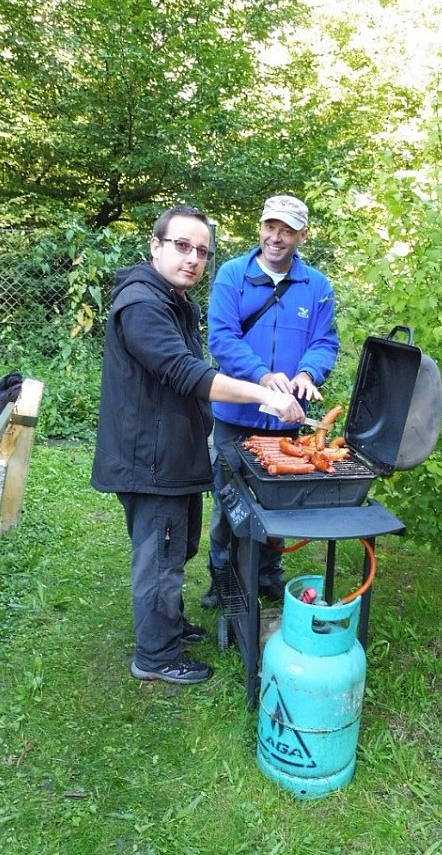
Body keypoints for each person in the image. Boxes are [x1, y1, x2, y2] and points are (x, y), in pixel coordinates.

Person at [91, 204, 304, 685]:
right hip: (151, 458)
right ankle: (156, 655)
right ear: (156, 246)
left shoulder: (169, 299)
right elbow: (187, 373)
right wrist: (264, 395)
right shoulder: (143, 305)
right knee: (160, 556)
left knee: (179, 544)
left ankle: (168, 625)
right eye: (182, 246)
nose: (192, 259)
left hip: (173, 450)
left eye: (201, 251)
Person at [201, 194, 339, 608]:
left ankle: (267, 574)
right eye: (270, 227)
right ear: (260, 227)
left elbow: (325, 342)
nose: (276, 238)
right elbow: (222, 339)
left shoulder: (316, 286)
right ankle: (222, 577)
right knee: (229, 502)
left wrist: (306, 373)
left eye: (287, 230)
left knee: (279, 503)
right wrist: (263, 375)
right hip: (235, 413)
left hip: (287, 421)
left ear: (302, 235)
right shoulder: (231, 275)